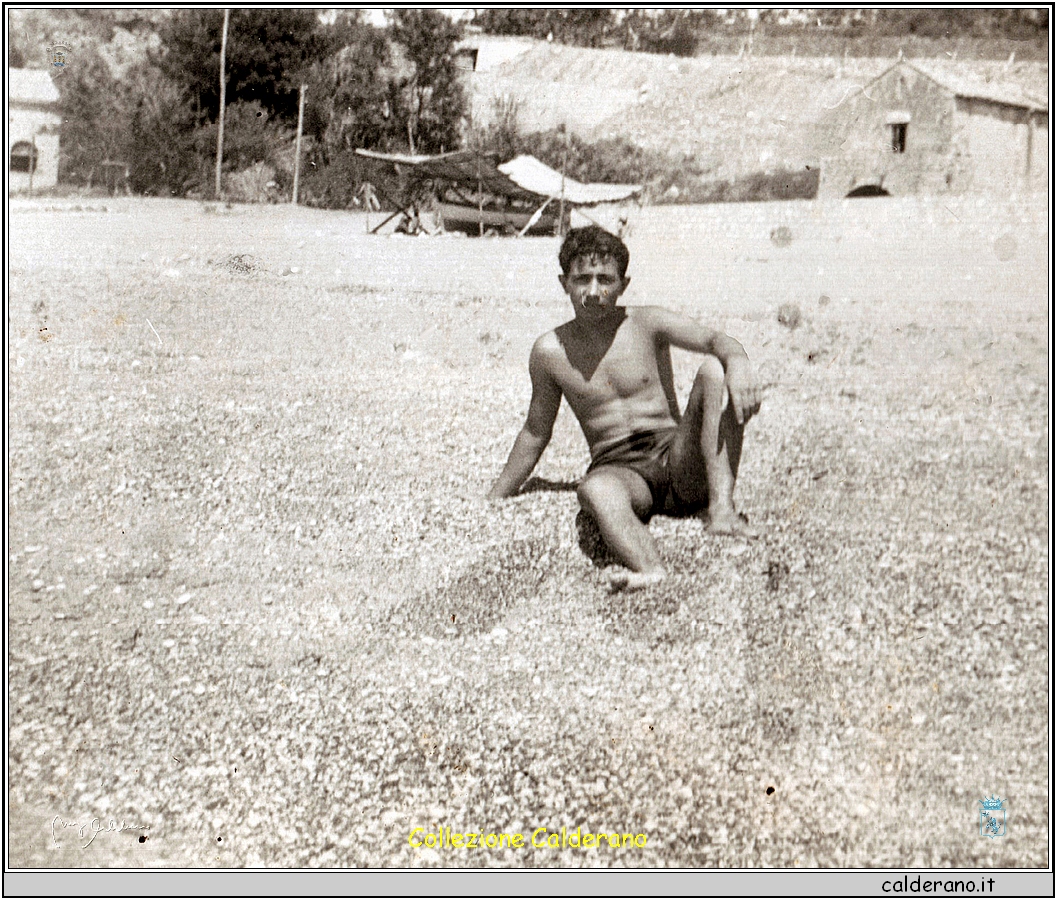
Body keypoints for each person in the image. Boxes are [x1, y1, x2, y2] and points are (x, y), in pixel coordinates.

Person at [487, 226, 762, 591]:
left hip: (677, 457)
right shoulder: (550, 351)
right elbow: (536, 431)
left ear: (624, 284)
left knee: (714, 369)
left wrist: (739, 360)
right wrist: (495, 497)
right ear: (564, 283)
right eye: (582, 279)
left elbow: (714, 340)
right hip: (621, 471)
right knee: (594, 491)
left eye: (606, 279)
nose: (594, 292)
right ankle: (650, 569)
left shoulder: (647, 323)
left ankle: (722, 511)